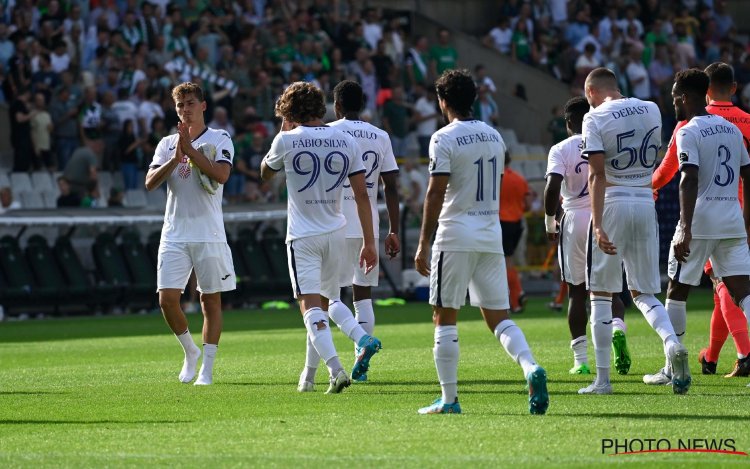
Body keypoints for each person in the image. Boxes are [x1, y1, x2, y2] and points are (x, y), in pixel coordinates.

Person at [414, 69, 548, 415]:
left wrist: (423, 242)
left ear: (442, 101)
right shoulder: (494, 136)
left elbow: (436, 190)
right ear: (474, 98)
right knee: (499, 318)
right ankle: (530, 366)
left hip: (455, 235)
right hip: (491, 235)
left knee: (444, 318)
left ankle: (449, 399)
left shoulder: (443, 138)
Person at [260, 82, 380, 394]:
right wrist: (369, 241)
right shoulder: (345, 140)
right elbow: (363, 196)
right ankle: (309, 378)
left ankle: (337, 369)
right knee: (325, 307)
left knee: (311, 308)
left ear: (290, 112)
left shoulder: (286, 140)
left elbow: (265, 172)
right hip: (337, 233)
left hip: (303, 236)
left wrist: (283, 130)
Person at [579, 67, 687, 395]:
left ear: (591, 92)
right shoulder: (652, 108)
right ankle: (672, 344)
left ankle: (602, 380)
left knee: (600, 293)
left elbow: (597, 173)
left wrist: (597, 224)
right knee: (644, 292)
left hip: (613, 202)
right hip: (644, 200)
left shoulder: (594, 117)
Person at [651, 69, 750, 387]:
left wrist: (684, 226)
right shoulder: (731, 130)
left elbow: (688, 177)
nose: (673, 105)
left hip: (701, 221)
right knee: (744, 293)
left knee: (677, 291)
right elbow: (748, 173)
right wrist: (746, 221)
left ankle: (672, 367)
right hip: (732, 220)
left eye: (674, 99)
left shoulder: (688, 131)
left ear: (684, 97)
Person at [145, 82, 236, 386]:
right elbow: (150, 183)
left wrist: (191, 151)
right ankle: (190, 351)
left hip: (208, 232)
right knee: (167, 299)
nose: (186, 109)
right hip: (174, 232)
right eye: (180, 105)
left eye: (191, 103)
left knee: (210, 301)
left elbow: (221, 175)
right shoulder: (167, 143)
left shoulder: (220, 138)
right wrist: (175, 157)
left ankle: (207, 370)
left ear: (203, 105)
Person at [316, 80, 401, 383]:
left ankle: (359, 344)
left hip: (334, 221)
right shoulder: (380, 136)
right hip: (369, 224)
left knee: (327, 295)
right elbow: (390, 186)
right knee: (362, 294)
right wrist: (393, 229)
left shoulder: (328, 132)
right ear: (362, 105)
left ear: (335, 106)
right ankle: (360, 361)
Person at [544, 96, 630, 375]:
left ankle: (581, 361)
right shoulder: (604, 143)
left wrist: (549, 221)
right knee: (610, 288)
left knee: (577, 293)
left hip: (574, 221)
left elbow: (552, 187)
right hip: (604, 217)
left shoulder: (561, 148)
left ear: (569, 122)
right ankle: (617, 328)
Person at [499, 152, 530, 314]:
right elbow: (528, 205)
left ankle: (513, 298)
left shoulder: (496, 179)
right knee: (509, 260)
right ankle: (517, 295)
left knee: (503, 263)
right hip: (517, 223)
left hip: (501, 222)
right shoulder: (519, 178)